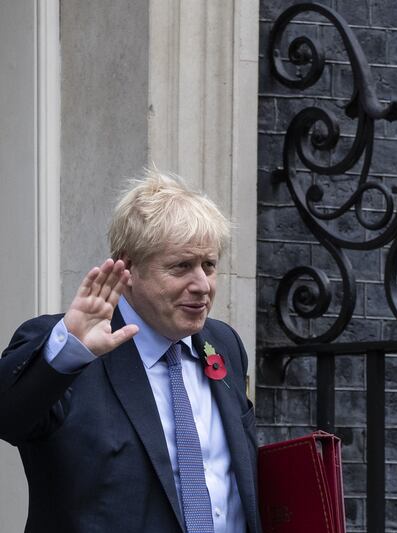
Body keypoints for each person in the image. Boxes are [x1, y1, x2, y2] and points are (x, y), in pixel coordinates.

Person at [0, 170, 260, 533]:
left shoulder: (225, 344)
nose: (202, 285)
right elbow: (8, 418)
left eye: (209, 265)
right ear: (129, 267)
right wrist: (70, 350)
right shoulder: (69, 349)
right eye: (181, 266)